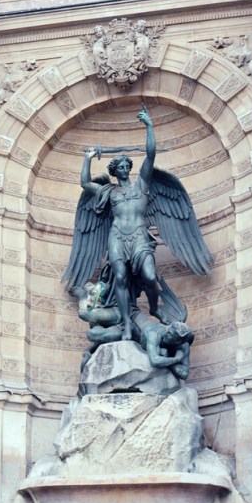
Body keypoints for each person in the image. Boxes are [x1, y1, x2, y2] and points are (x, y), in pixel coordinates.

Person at [79, 107, 160, 341]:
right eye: (120, 167)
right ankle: (125, 325)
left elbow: (151, 154)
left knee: (150, 276)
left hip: (138, 235)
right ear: (114, 172)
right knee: (121, 279)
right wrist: (87, 158)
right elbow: (85, 183)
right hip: (117, 236)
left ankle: (154, 307)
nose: (124, 169)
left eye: (126, 166)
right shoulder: (108, 191)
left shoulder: (141, 185)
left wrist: (149, 126)